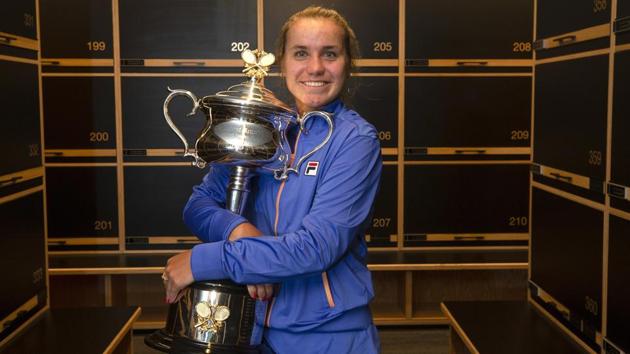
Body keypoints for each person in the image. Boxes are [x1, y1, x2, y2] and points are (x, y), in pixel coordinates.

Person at [162, 6, 382, 353]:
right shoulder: (265, 128)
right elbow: (199, 205)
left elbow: (316, 247)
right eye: (300, 53)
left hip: (328, 337)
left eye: (330, 54)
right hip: (250, 330)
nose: (315, 68)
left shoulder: (355, 140)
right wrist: (239, 232)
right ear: (281, 62)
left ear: (347, 63)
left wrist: (207, 260)